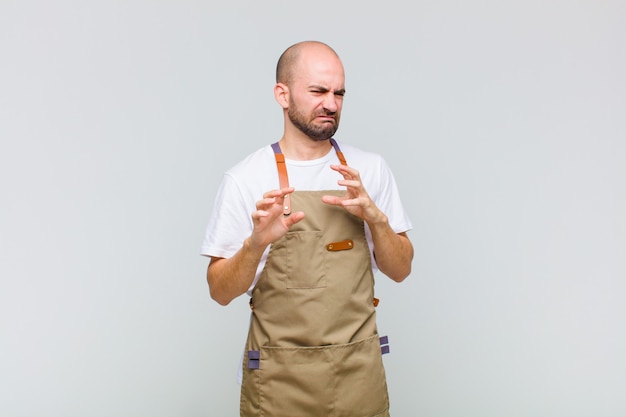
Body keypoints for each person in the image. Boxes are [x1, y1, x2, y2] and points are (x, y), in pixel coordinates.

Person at [201, 40, 414, 417]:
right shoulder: (246, 178)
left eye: (339, 93)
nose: (331, 103)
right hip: (279, 382)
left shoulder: (370, 170)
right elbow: (219, 291)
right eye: (318, 91)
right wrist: (256, 244)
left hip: (358, 377)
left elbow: (401, 270)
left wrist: (376, 219)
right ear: (282, 95)